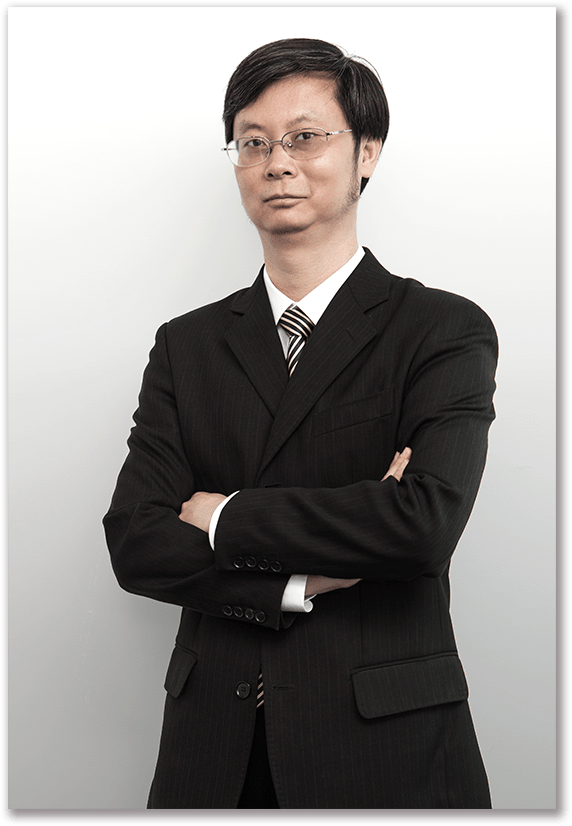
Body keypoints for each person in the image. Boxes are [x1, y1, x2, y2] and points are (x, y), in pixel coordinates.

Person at [103, 38, 497, 809]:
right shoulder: (187, 345)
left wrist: (226, 517)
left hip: (386, 750)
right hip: (214, 751)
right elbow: (136, 541)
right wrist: (303, 579)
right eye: (253, 142)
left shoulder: (441, 329)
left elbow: (421, 526)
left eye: (305, 137)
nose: (276, 162)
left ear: (367, 153)